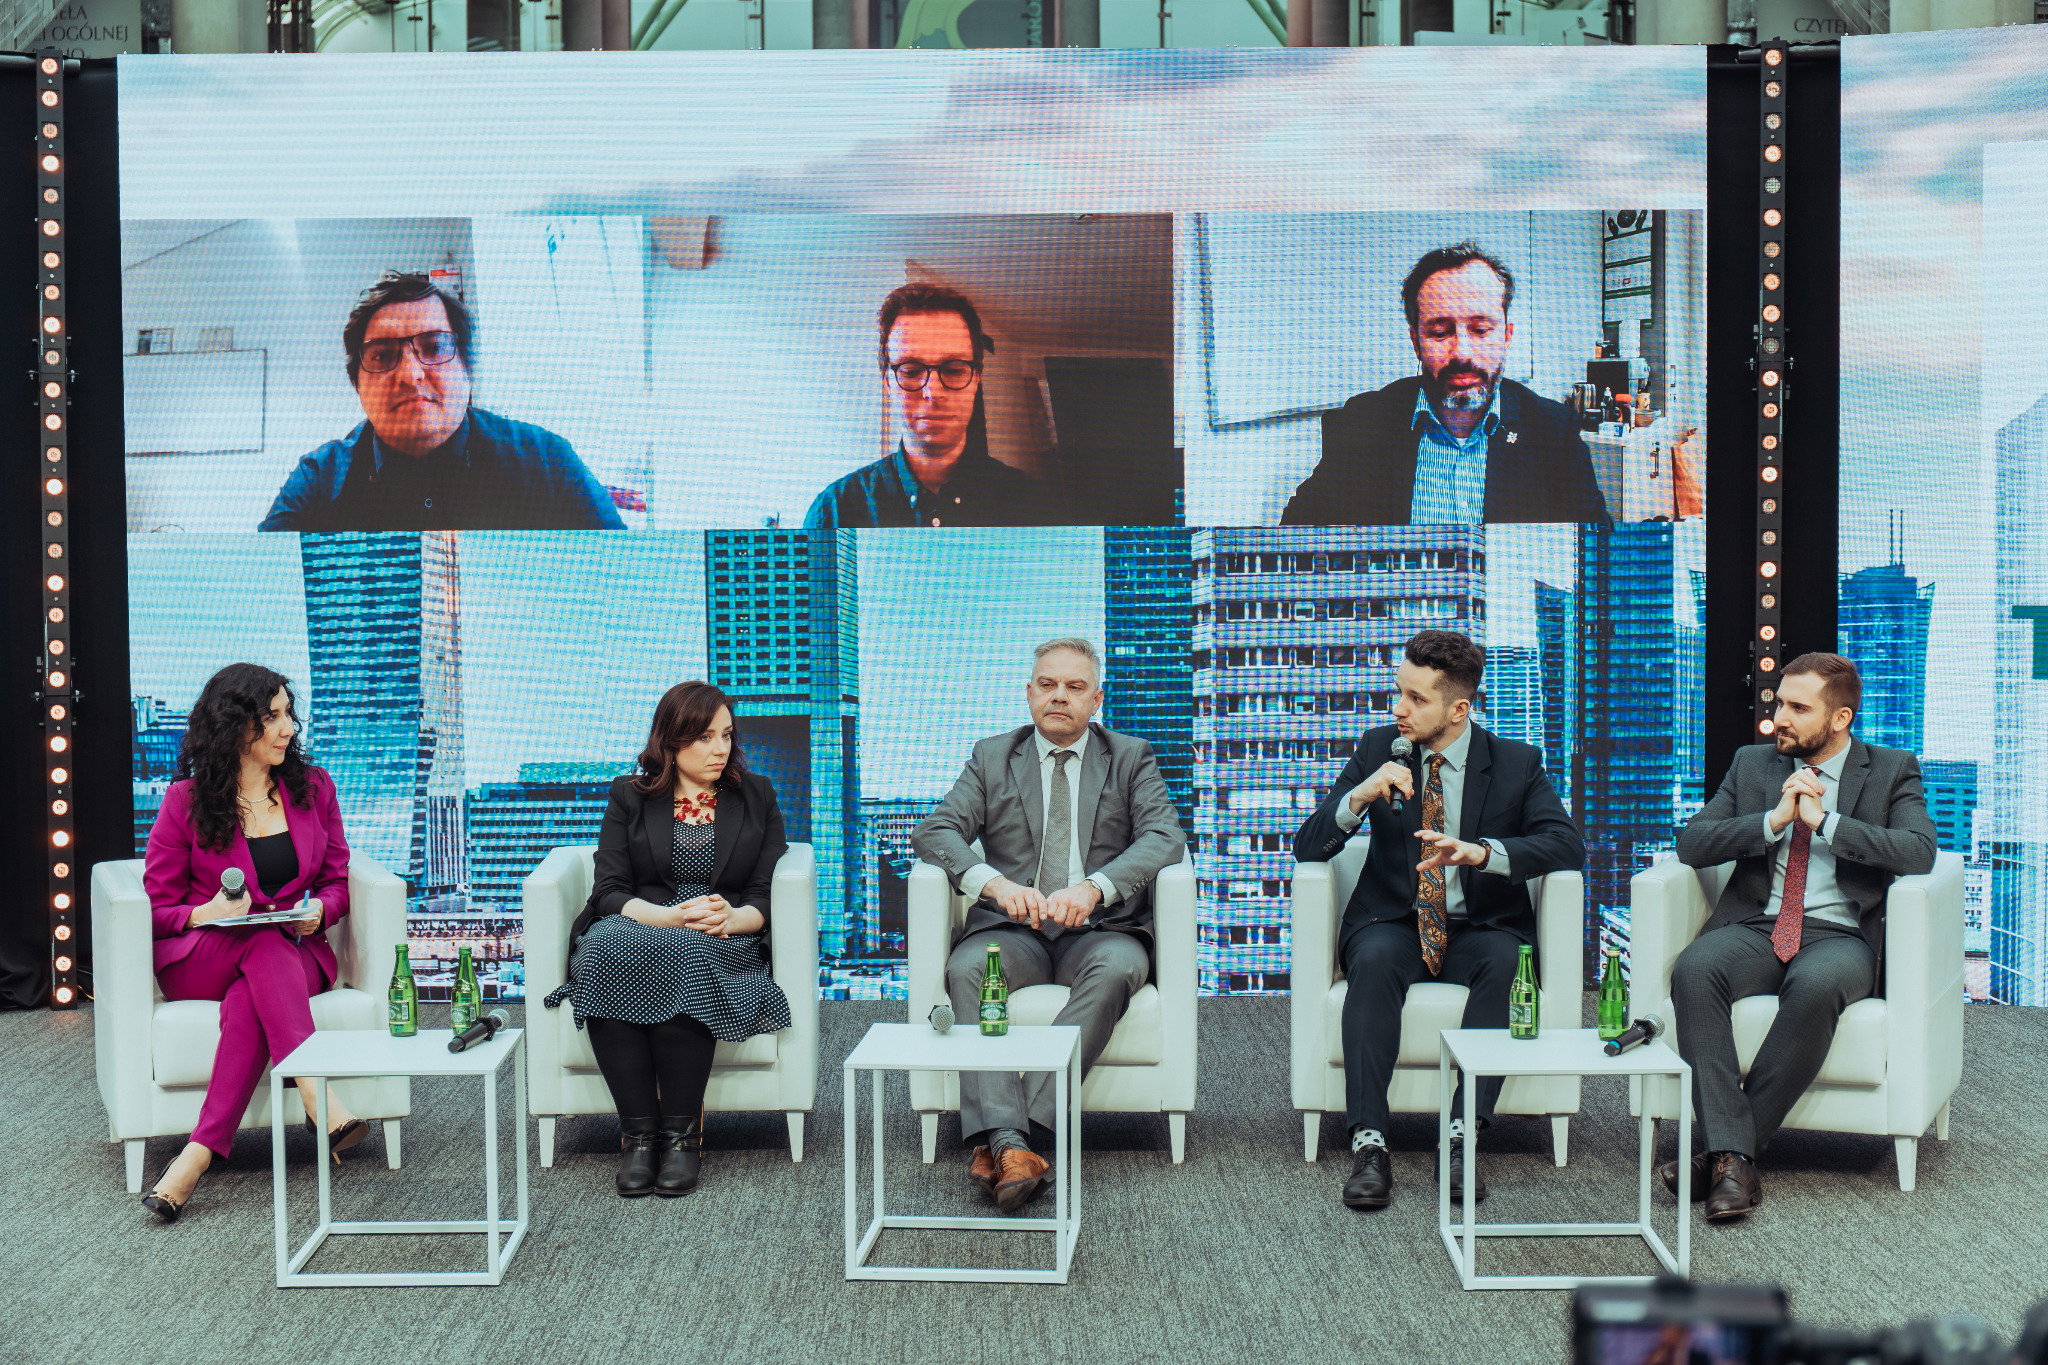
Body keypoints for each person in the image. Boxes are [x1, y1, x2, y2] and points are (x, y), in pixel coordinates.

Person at [1293, 630, 1584, 1210]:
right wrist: (1359, 798)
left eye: (1416, 699)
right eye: (1398, 692)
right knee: (1372, 963)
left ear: (1459, 709)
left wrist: (1483, 853)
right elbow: (1309, 847)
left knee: (1506, 966)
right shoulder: (1380, 747)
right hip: (1393, 921)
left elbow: (1566, 846)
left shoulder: (1515, 763)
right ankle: (1369, 1143)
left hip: (1481, 925)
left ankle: (1463, 1136)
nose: (1398, 708)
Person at [912, 637, 1185, 1213]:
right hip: (1014, 931)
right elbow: (936, 832)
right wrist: (997, 886)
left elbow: (1165, 837)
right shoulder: (993, 756)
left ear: (1096, 700)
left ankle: (1012, 1140)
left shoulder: (1131, 756)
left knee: (1115, 971)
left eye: (1074, 687)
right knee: (965, 969)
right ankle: (1018, 1145)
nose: (1058, 696)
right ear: (1029, 691)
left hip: (1103, 931)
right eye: (1047, 684)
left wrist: (1094, 888)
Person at [1662, 653, 1936, 1223]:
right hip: (1759, 925)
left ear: (1840, 718)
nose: (1777, 718)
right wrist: (1773, 821)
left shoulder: (1889, 768)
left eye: (1796, 707)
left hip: (1841, 934)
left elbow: (1918, 851)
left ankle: (1725, 1155)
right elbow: (1692, 845)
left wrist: (1826, 823)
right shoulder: (1754, 764)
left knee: (1815, 986)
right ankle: (1734, 1160)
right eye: (1778, 703)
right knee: (1694, 968)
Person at [543, 682, 791, 1198]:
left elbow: (764, 896)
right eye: (705, 737)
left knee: (686, 952)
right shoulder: (629, 796)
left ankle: (681, 1140)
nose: (720, 748)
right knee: (606, 950)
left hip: (718, 934)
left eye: (726, 735)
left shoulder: (757, 795)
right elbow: (609, 890)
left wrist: (732, 918)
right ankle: (638, 1138)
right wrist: (665, 917)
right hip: (642, 921)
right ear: (673, 742)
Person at [138, 663, 359, 1222]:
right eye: (274, 717)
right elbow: (158, 912)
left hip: (295, 949)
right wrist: (206, 912)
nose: (289, 728)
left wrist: (319, 911)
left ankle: (195, 1156)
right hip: (203, 955)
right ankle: (315, 1091)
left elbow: (336, 882)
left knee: (251, 993)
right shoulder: (184, 802)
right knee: (259, 947)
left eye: (289, 714)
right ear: (237, 728)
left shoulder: (314, 790)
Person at [259, 271, 625, 532]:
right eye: (383, 356)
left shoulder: (548, 463)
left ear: (467, 368)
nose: (410, 374)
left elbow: (624, 588)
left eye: (434, 348)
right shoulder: (319, 481)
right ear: (358, 384)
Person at [1280, 242, 1613, 527]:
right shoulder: (1365, 421)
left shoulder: (1552, 431)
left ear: (1506, 337)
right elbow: (1297, 532)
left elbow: (1596, 549)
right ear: (1416, 341)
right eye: (1440, 333)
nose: (1462, 353)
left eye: (1481, 330)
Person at [805, 282, 1066, 529]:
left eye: (953, 370)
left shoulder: (1038, 509)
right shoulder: (833, 514)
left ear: (976, 380)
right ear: (888, 382)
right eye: (911, 371)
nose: (933, 392)